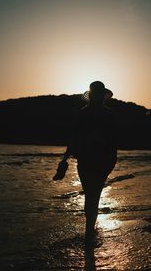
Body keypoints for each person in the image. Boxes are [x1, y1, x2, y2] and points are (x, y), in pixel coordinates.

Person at [53, 81, 117, 242]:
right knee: (93, 195)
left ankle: (89, 230)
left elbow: (74, 139)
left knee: (91, 194)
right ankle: (90, 230)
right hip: (98, 160)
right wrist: (64, 160)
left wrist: (64, 160)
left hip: (94, 159)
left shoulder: (87, 113)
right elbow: (75, 138)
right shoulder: (105, 114)